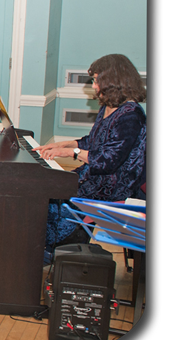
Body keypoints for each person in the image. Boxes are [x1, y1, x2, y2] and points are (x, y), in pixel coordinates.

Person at [34, 54, 146, 252]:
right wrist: (63, 145)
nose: (94, 86)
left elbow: (108, 161)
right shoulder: (109, 107)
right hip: (96, 176)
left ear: (113, 81)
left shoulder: (130, 116)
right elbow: (94, 142)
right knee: (45, 188)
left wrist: (70, 153)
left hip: (114, 185)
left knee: (53, 196)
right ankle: (42, 247)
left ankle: (54, 248)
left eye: (96, 80)